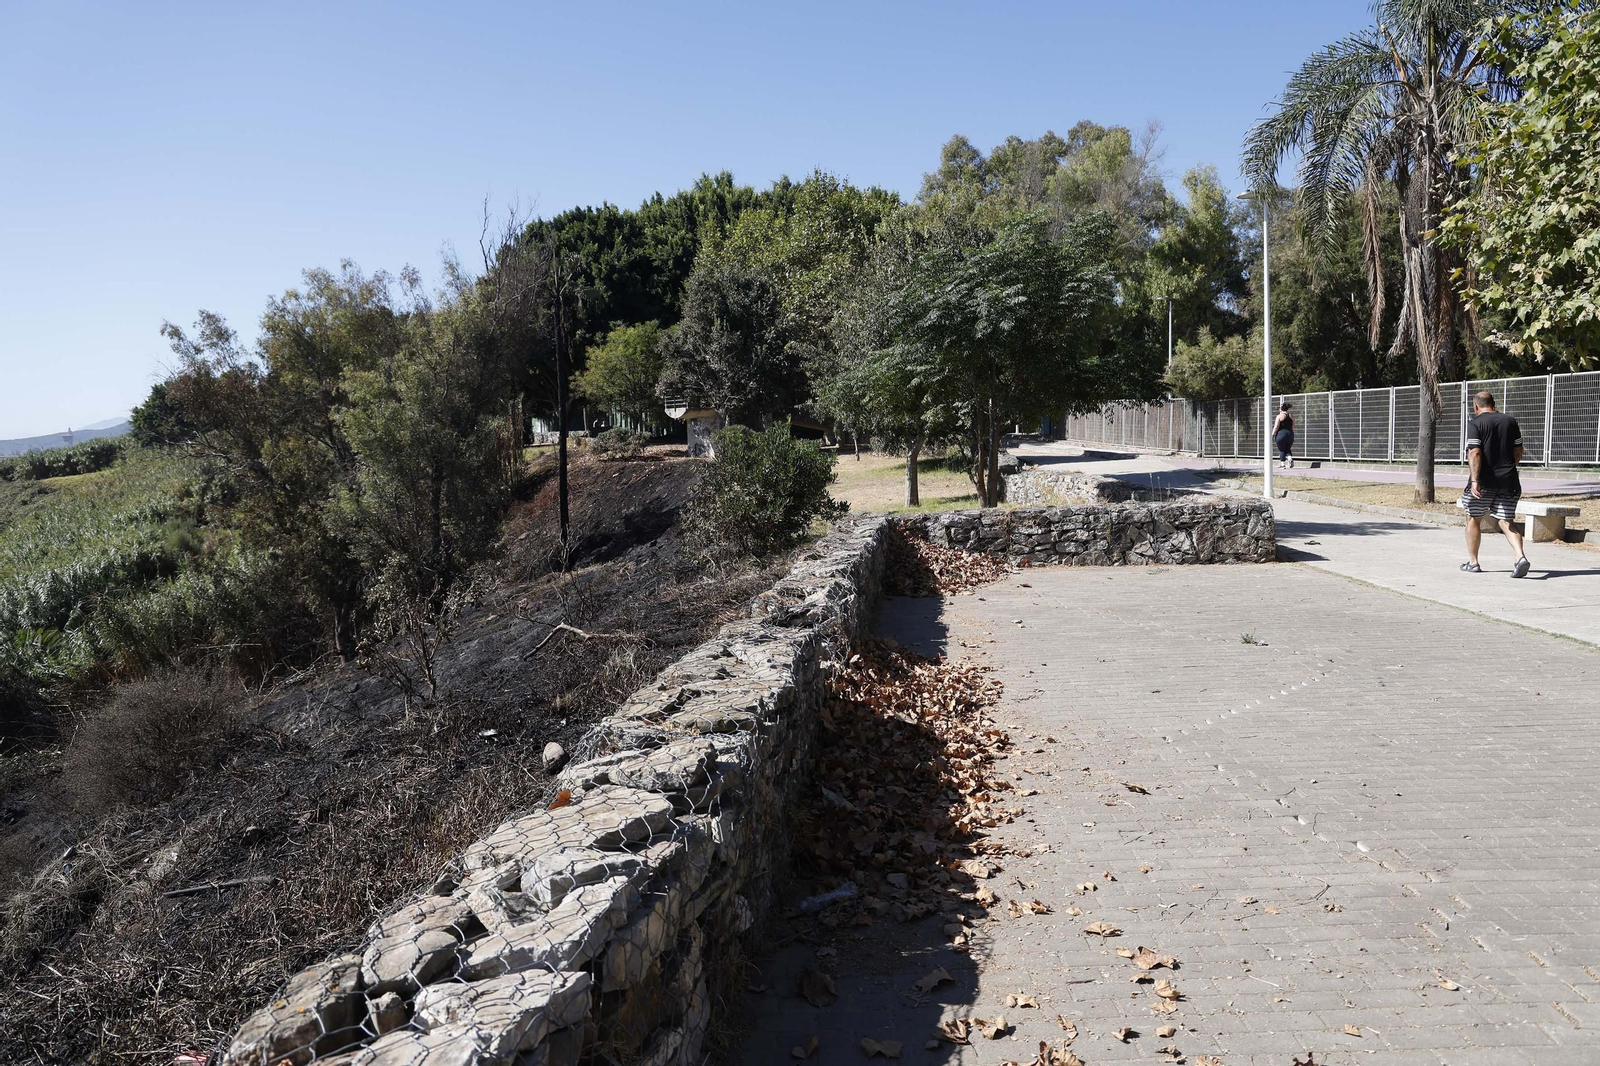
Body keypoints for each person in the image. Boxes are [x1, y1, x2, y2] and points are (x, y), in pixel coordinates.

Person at [1459, 390, 1530, 578]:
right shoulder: (1510, 421)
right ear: (1494, 403)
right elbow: (1518, 450)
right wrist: (1509, 467)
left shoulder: (1475, 423)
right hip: (1509, 481)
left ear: (1476, 407)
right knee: (1507, 521)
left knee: (1473, 518)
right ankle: (1520, 556)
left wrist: (1475, 480)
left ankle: (1473, 562)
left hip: (1484, 482)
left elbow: (1475, 452)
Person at [1271, 401, 1295, 469]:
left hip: (1281, 434)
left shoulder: (1279, 416)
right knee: (1288, 448)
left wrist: (1272, 434)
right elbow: (1293, 426)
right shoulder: (1291, 416)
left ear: (1281, 409)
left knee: (1282, 449)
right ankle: (1290, 458)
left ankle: (1282, 464)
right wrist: (1292, 433)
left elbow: (1276, 426)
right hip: (1290, 434)